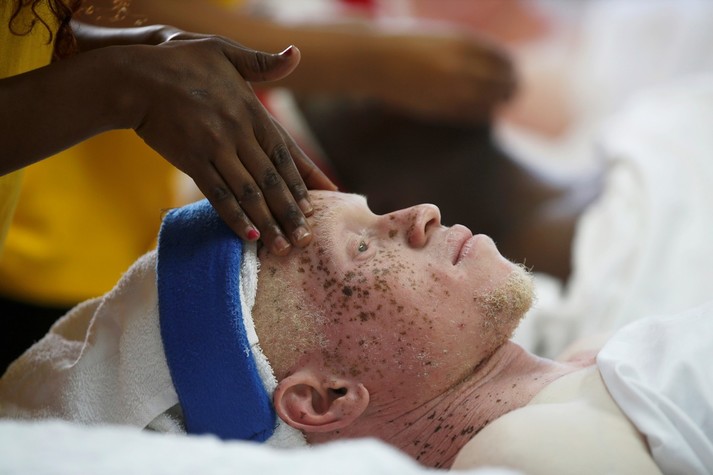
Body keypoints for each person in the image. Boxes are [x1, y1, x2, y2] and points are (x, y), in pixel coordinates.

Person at [2, 190, 711, 474]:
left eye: (376, 211)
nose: (422, 214)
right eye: (366, 246)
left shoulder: (588, 378)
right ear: (325, 398)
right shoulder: (533, 450)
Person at [0, 0, 337, 369]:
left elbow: (21, 35)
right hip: (37, 258)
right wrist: (127, 84)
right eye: (360, 246)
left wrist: (141, 49)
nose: (390, 220)